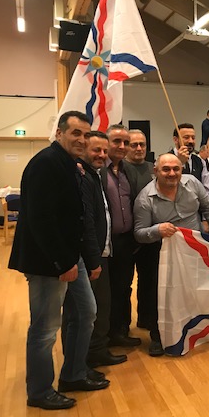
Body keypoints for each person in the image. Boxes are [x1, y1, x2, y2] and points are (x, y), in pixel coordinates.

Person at [9, 111, 107, 410]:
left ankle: (74, 374)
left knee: (86, 313)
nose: (82, 139)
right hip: (48, 261)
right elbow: (41, 219)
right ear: (60, 133)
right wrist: (62, 263)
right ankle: (39, 391)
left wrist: (83, 258)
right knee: (45, 328)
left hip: (71, 255)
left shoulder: (70, 164)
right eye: (76, 133)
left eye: (86, 134)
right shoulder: (46, 163)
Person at [134, 153, 209, 356]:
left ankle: (193, 328)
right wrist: (157, 230)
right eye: (166, 169)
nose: (172, 173)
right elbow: (139, 233)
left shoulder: (192, 183)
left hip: (194, 249)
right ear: (155, 171)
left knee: (194, 289)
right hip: (163, 253)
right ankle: (158, 337)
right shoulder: (145, 198)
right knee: (161, 295)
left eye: (176, 169)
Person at [79, 131, 127, 369]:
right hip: (91, 256)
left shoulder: (95, 175)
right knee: (85, 311)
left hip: (103, 252)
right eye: (96, 150)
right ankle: (82, 362)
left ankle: (97, 351)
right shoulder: (81, 177)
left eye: (104, 151)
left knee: (102, 305)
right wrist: (93, 258)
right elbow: (85, 221)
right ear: (83, 149)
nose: (101, 154)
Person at [103, 124, 141, 348]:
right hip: (105, 243)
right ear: (106, 142)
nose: (122, 146)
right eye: (116, 141)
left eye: (126, 142)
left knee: (123, 288)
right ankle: (104, 334)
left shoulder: (128, 170)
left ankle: (121, 330)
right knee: (105, 291)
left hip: (125, 241)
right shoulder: (97, 169)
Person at [124, 129, 158, 332]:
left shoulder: (154, 168)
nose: (138, 148)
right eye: (134, 144)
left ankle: (146, 319)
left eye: (142, 144)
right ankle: (121, 328)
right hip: (125, 237)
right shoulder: (120, 168)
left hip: (150, 235)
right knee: (124, 284)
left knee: (149, 280)